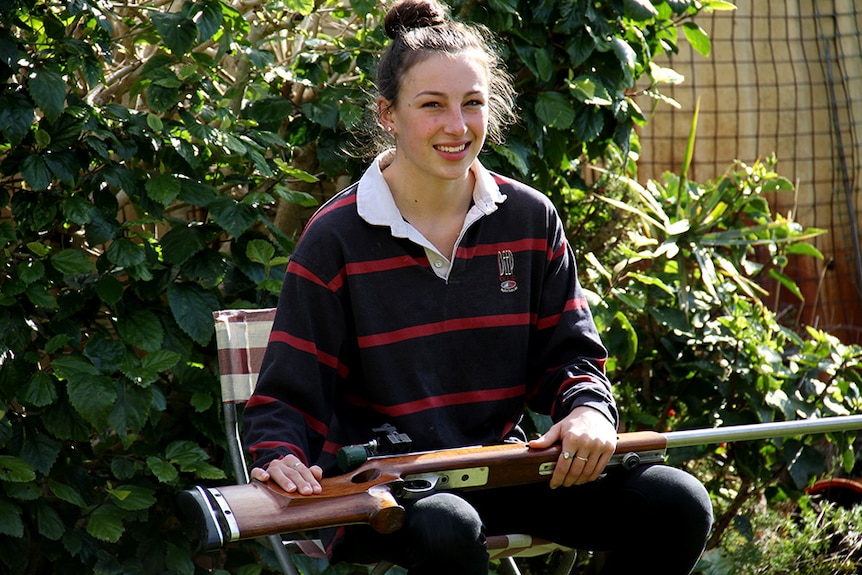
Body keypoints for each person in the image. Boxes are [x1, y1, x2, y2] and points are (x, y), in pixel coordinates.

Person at [243, 1, 713, 573]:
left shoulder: (529, 218)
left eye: (473, 104)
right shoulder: (334, 237)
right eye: (432, 105)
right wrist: (282, 457)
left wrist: (588, 412)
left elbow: (569, 357)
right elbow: (288, 393)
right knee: (448, 525)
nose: (457, 126)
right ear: (387, 114)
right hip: (387, 492)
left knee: (676, 503)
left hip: (502, 470)